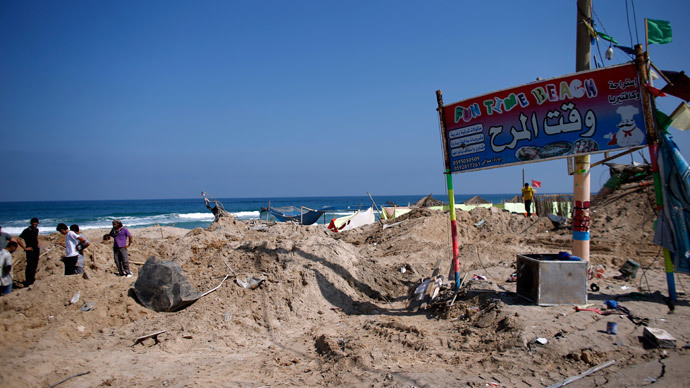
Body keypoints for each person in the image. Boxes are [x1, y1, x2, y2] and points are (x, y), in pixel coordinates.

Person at [18, 218, 40, 286]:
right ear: (31, 223)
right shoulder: (27, 230)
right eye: (33, 223)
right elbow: (18, 239)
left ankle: (32, 279)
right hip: (30, 250)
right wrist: (25, 248)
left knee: (35, 264)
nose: (35, 224)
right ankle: (28, 281)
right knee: (30, 265)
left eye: (36, 223)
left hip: (36, 249)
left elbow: (36, 236)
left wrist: (38, 243)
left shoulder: (36, 230)